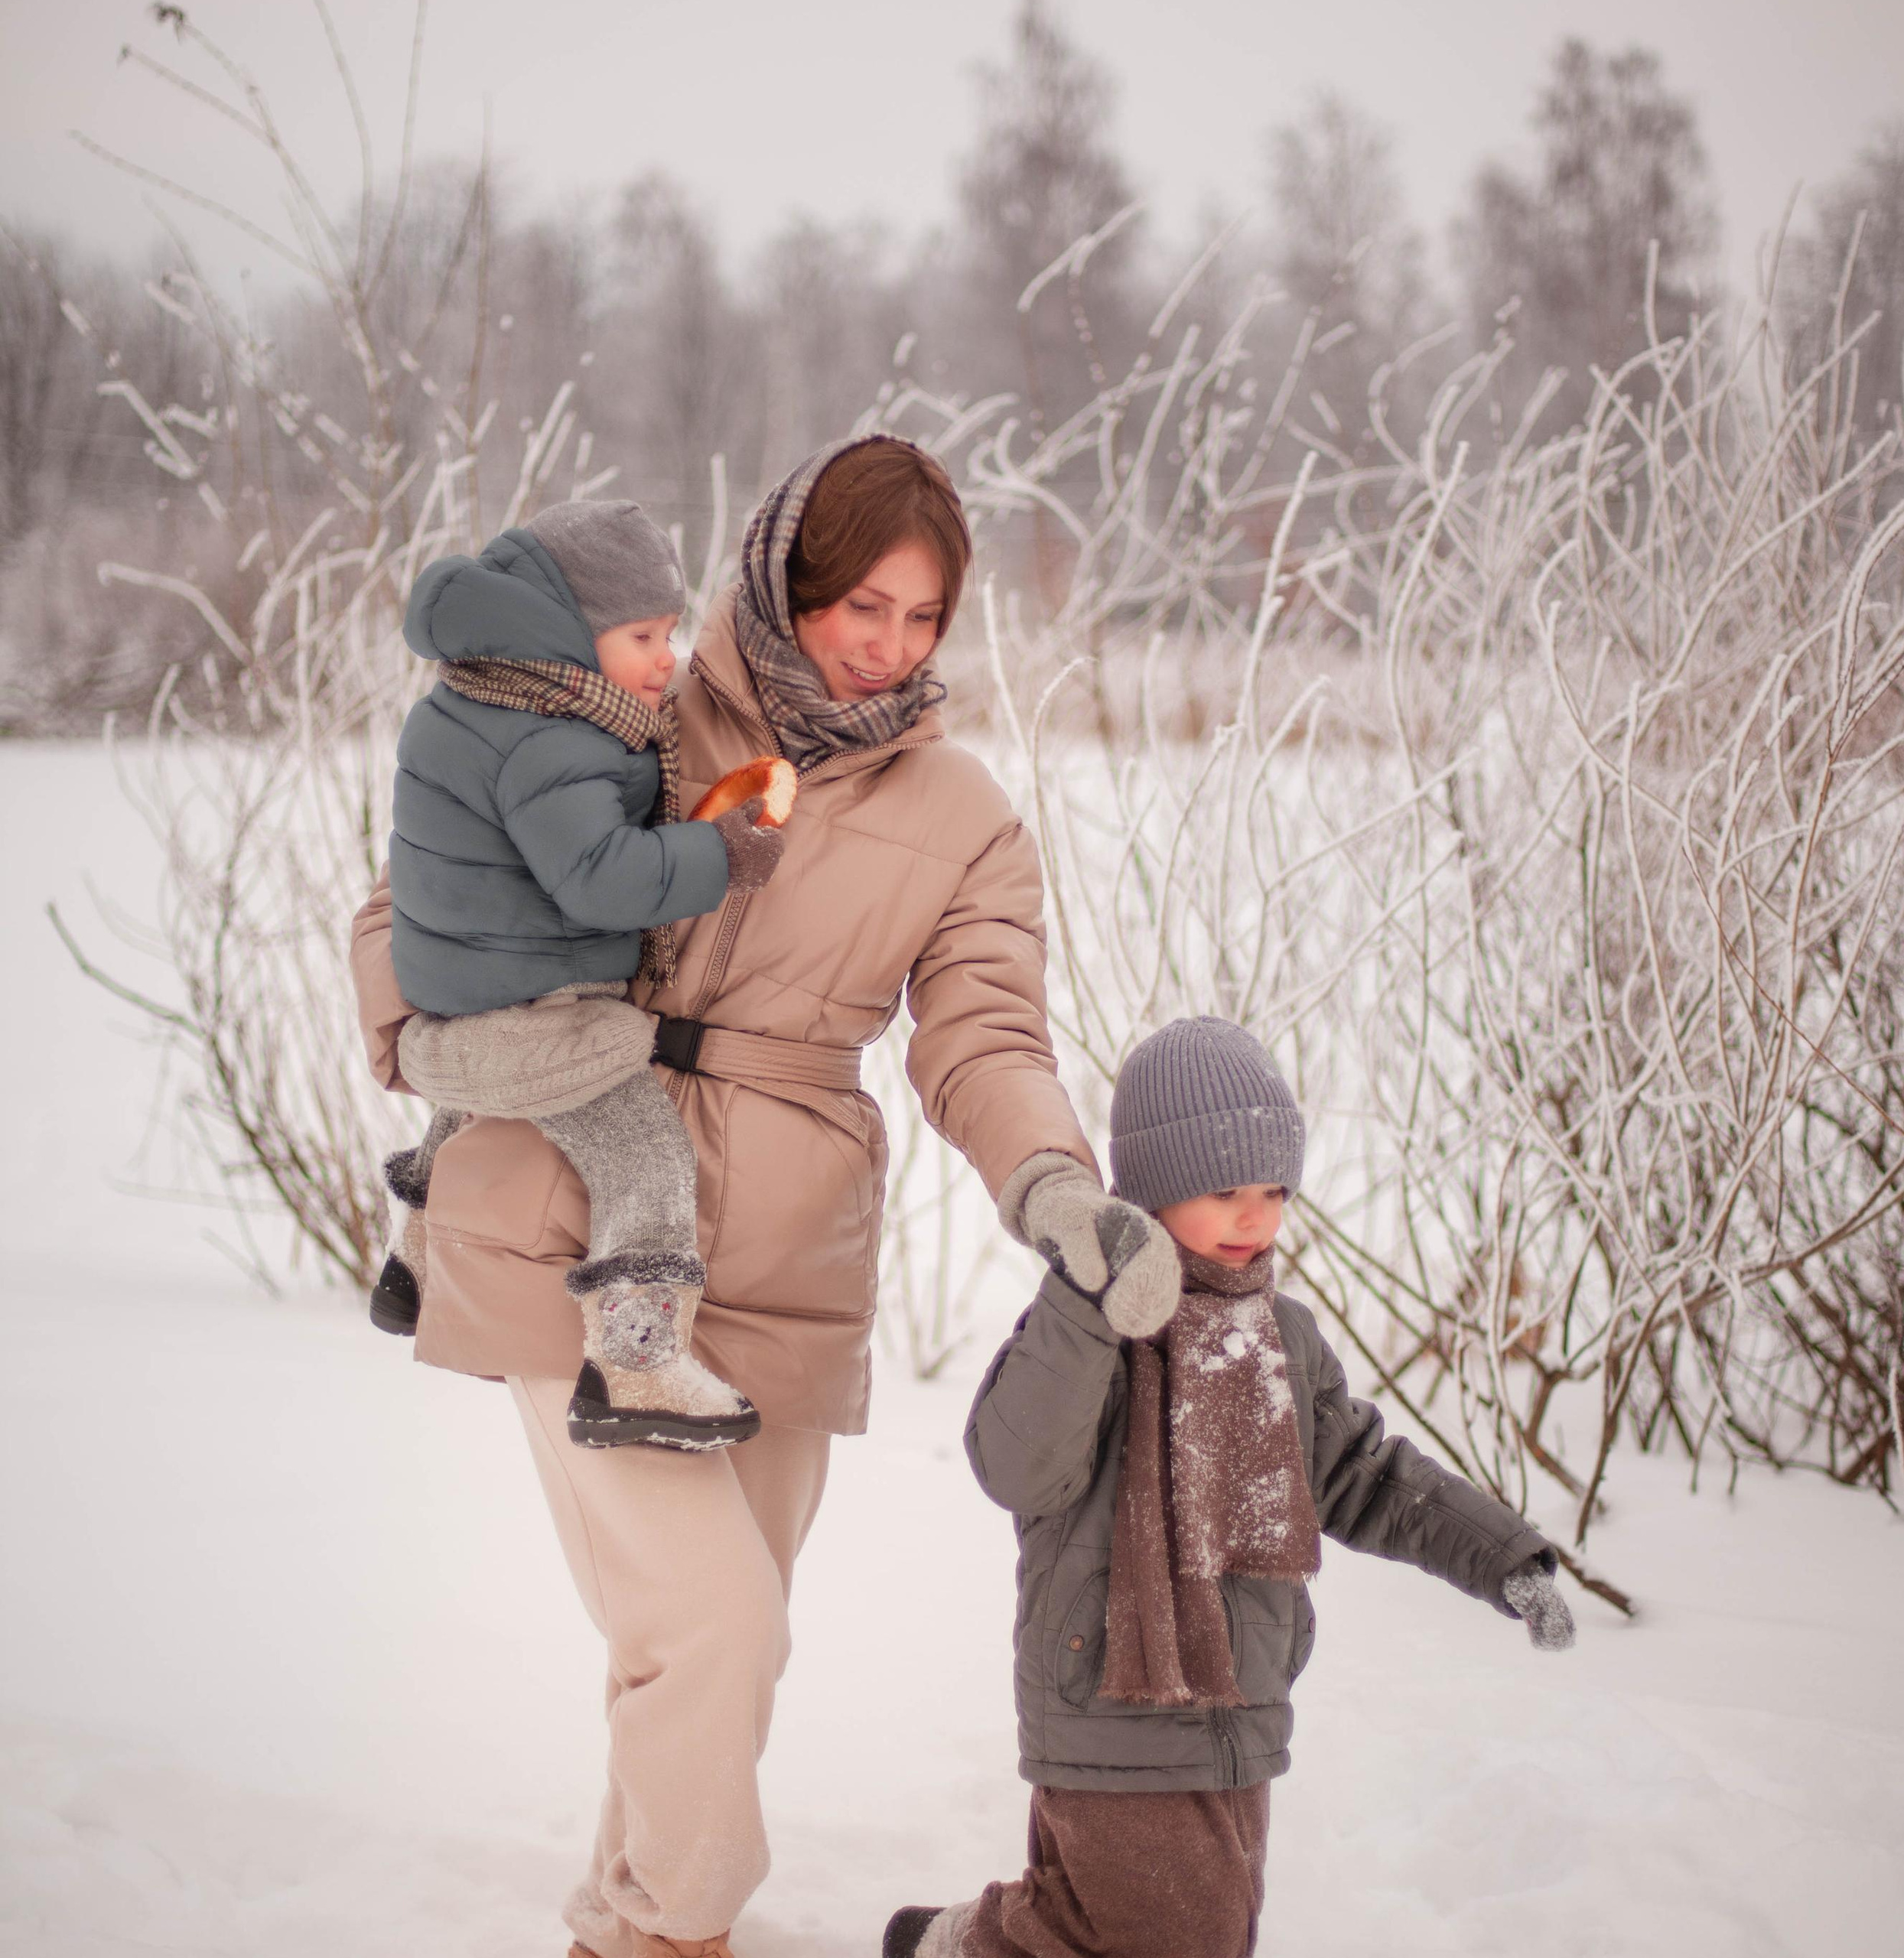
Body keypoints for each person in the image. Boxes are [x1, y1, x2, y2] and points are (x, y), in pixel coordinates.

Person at [347, 434, 1178, 1958]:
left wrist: (1054, 1185)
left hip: (788, 1242)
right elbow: (421, 875)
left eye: (923, 619)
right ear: (784, 578)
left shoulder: (960, 811)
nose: (889, 646)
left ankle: (619, 1908)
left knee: (721, 1642)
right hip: (574, 1203)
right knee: (707, 1622)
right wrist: (409, 1024)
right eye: (861, 604)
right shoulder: (631, 695)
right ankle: (670, 1934)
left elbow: (984, 1031)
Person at [886, 1016, 1576, 1958]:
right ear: (1156, 1190)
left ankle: (962, 1943)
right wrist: (1086, 1297)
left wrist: (1501, 1557)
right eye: (1224, 1191)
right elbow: (1016, 1466)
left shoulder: (1279, 1337)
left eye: (1273, 1190)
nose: (1255, 1217)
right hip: (1110, 1697)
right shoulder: (1095, 1325)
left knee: (1182, 1931)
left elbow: (1366, 1478)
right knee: (1168, 1933)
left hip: (1238, 1704)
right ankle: (968, 1946)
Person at [370, 497, 784, 1451]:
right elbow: (599, 878)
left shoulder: (474, 697)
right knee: (644, 1156)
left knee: (479, 1100)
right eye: (642, 635)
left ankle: (414, 1259)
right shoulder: (550, 737)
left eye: (673, 632)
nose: (665, 658)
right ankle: (636, 1363)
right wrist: (721, 854)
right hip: (538, 1011)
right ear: (566, 634)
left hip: (458, 1008)